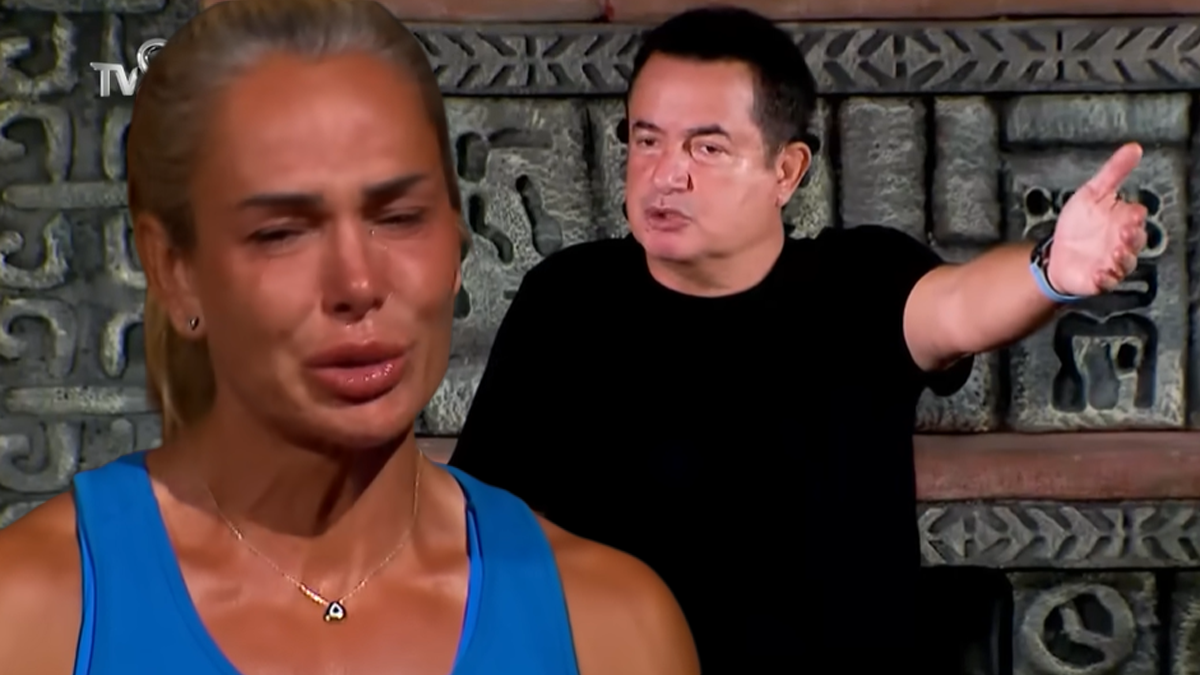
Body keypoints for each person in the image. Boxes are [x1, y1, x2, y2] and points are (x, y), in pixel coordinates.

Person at [0, 2, 700, 674]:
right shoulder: (32, 614)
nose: (358, 283)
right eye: (282, 232)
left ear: (456, 243)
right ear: (174, 271)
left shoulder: (608, 626)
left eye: (399, 217)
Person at [448, 6, 1149, 673]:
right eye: (647, 139)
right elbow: (484, 521)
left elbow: (962, 304)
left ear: (785, 171)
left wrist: (1051, 270)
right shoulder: (567, 299)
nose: (665, 174)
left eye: (706, 147)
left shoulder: (860, 282)